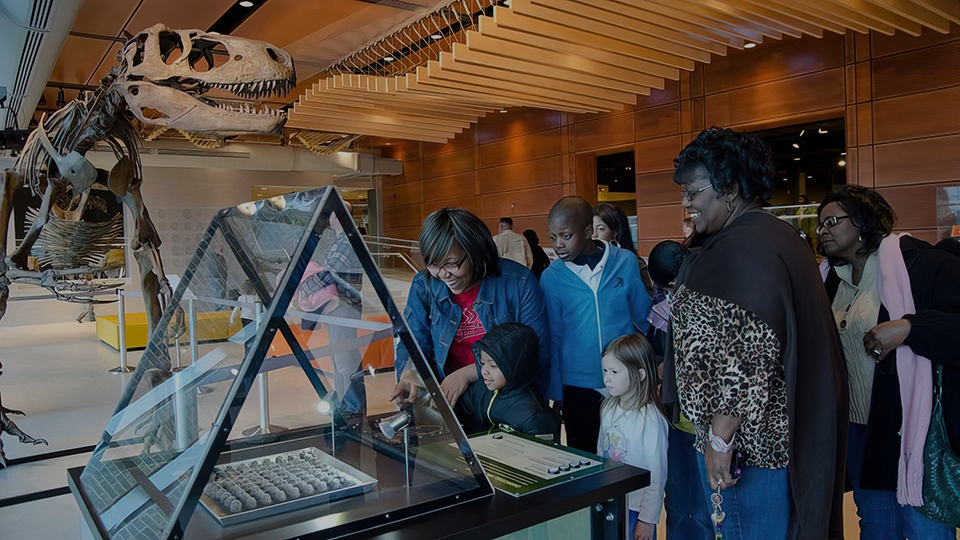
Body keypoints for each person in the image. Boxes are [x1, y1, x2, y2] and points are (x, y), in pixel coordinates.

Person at [661, 127, 848, 540]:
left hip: (751, 446)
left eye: (693, 193)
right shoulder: (766, 235)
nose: (686, 204)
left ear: (729, 188)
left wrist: (720, 440)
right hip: (763, 439)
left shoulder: (745, 246)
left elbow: (746, 357)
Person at [817, 186, 960, 539]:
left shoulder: (920, 264)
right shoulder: (827, 282)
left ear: (864, 222)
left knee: (924, 527)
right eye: (819, 225)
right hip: (858, 429)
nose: (823, 231)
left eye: (832, 221)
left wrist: (910, 328)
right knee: (878, 526)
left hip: (913, 429)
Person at [391, 208, 550, 425]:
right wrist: (410, 370)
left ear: (476, 250)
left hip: (502, 403)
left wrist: (471, 372)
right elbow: (413, 340)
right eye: (434, 264)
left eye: (452, 264)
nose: (443, 274)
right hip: (448, 402)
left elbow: (536, 353)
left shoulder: (519, 282)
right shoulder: (425, 284)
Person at [541, 196, 652, 453]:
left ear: (589, 231)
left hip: (627, 380)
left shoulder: (624, 262)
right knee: (586, 455)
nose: (558, 245)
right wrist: (557, 392)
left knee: (630, 454)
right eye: (553, 237)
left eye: (566, 236)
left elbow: (643, 317)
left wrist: (651, 363)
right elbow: (554, 337)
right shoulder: (551, 278)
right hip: (579, 388)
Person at [645, 240, 712, 540]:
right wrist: (660, 364)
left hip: (707, 420)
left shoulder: (708, 302)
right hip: (677, 417)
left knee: (703, 498)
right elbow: (653, 353)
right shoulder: (660, 315)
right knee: (680, 494)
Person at [598, 334, 669, 540]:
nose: (607, 378)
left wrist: (647, 520)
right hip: (611, 500)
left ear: (639, 375)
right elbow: (600, 453)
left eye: (614, 372)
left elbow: (657, 475)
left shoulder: (652, 420)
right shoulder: (608, 407)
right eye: (605, 371)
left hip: (637, 508)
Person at [460, 323, 560, 442]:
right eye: (482, 363)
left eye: (493, 365)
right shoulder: (480, 389)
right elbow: (457, 416)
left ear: (516, 367)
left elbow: (542, 457)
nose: (484, 371)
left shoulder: (535, 417)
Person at [592, 203, 654, 296]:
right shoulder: (586, 263)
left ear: (616, 231)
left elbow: (645, 299)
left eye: (600, 229)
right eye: (591, 229)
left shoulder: (633, 262)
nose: (594, 235)